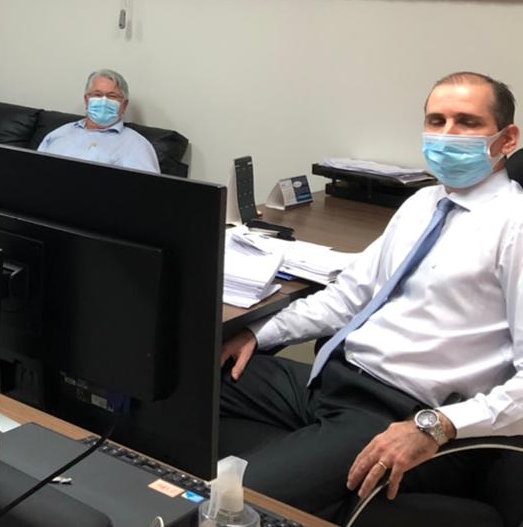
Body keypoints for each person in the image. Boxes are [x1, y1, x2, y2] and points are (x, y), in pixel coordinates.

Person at [218, 71, 523, 524]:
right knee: (188, 381)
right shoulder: (422, 203)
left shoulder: (514, 226)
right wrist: (258, 334)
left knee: (237, 503)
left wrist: (437, 427)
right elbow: (349, 296)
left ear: (507, 139)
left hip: (398, 410)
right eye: (436, 120)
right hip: (330, 380)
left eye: (466, 122)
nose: (446, 135)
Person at [36, 68, 160, 172]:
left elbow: (146, 193)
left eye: (112, 96)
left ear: (124, 105)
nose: (104, 101)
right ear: (86, 100)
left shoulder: (137, 146)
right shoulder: (59, 133)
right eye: (97, 95)